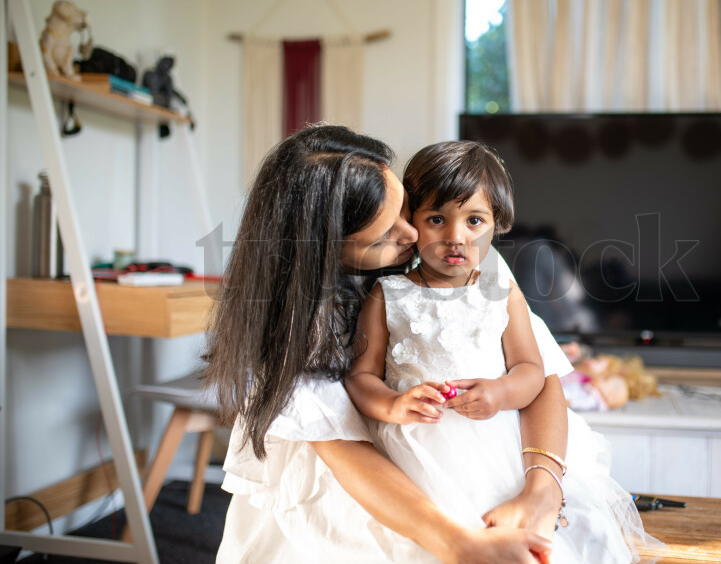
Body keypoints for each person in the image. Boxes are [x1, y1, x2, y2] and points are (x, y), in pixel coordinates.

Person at [205, 125, 576, 564]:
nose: (413, 234)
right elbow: (344, 447)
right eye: (384, 235)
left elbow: (540, 372)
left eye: (403, 209)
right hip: (361, 485)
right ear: (326, 250)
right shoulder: (308, 325)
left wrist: (542, 489)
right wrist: (463, 544)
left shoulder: (470, 267)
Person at [345, 141, 660, 562]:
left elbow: (531, 370)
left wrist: (499, 393)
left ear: (497, 224)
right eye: (436, 219)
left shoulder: (502, 291)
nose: (455, 237)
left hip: (495, 447)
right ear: (412, 220)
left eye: (474, 220)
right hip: (413, 452)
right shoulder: (388, 294)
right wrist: (392, 404)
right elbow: (360, 377)